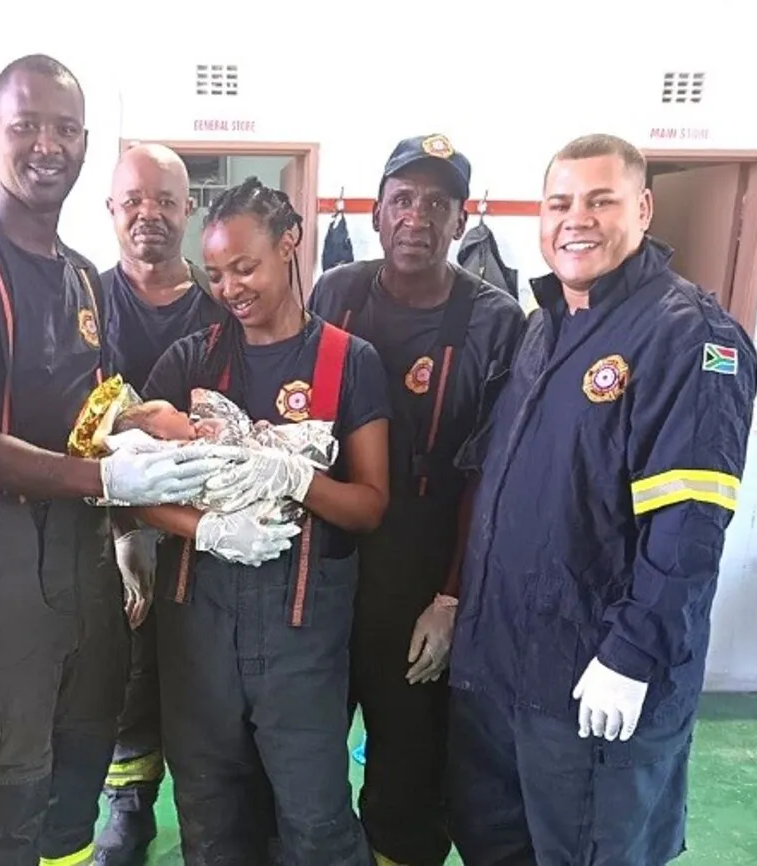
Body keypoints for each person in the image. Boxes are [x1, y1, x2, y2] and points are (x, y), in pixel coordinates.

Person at [0, 55, 245, 866]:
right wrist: (109, 480)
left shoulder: (82, 277)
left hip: (84, 560)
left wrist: (141, 419)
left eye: (62, 129)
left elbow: (86, 408)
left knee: (77, 779)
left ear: (83, 142)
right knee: (4, 792)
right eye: (26, 127)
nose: (45, 145)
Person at [446, 133, 757, 865]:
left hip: (595, 691)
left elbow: (688, 528)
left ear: (643, 208)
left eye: (600, 200)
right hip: (501, 677)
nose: (575, 219)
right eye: (560, 203)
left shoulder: (690, 339)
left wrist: (632, 656)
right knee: (496, 846)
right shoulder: (546, 326)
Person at [134, 176, 391, 865]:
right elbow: (128, 487)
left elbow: (369, 504)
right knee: (210, 814)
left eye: (244, 267)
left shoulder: (347, 362)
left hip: (301, 636)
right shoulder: (194, 361)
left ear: (290, 244)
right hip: (197, 628)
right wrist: (203, 530)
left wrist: (299, 477)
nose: (230, 288)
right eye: (215, 273)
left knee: (315, 820)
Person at [309, 133, 527, 866]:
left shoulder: (498, 323)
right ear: (376, 213)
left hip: (424, 570)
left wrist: (452, 597)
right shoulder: (334, 293)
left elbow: (491, 478)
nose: (418, 217)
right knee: (300, 755)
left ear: (461, 222)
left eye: (438, 203)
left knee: (408, 775)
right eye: (403, 199)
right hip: (327, 561)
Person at [94, 143, 227, 866]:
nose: (149, 214)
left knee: (202, 671)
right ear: (111, 209)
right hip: (103, 519)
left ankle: (213, 806)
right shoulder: (82, 301)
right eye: (134, 200)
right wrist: (121, 525)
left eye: (165, 201)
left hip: (203, 533)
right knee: (123, 670)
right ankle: (129, 803)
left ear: (187, 209)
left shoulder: (219, 309)